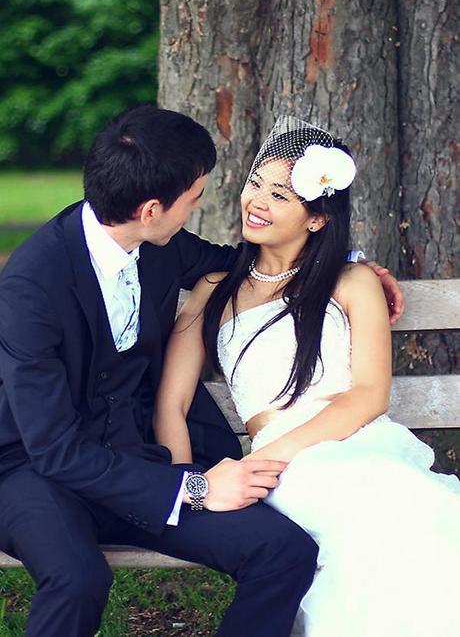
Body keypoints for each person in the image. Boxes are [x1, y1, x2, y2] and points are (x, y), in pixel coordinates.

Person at [0, 106, 400, 637]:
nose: (196, 210)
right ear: (150, 209)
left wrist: (347, 266)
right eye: (192, 200)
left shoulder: (161, 244)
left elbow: (252, 265)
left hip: (136, 463)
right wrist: (192, 487)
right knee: (76, 576)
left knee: (282, 552)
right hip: (33, 472)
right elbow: (55, 451)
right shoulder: (31, 286)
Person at [154, 116, 460, 637]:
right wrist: (191, 492)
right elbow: (171, 406)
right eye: (256, 185)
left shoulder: (353, 280)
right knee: (382, 505)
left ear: (316, 219)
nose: (257, 201)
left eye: (279, 194)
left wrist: (265, 456)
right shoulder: (215, 287)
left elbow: (367, 396)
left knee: (410, 504)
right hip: (283, 470)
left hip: (354, 445)